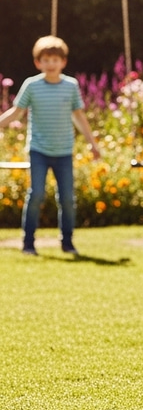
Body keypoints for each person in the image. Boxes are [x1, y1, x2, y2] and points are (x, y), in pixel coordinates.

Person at [0, 35, 101, 255]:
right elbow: (16, 112)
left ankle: (67, 242)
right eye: (46, 60)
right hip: (38, 150)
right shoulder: (32, 85)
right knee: (36, 195)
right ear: (38, 63)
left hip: (64, 151)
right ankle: (28, 243)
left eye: (55, 60)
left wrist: (93, 144)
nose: (51, 64)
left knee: (66, 198)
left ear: (63, 62)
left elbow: (79, 116)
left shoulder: (70, 85)